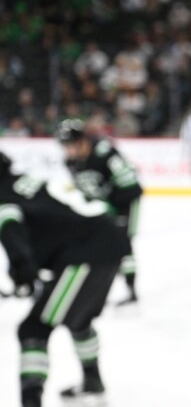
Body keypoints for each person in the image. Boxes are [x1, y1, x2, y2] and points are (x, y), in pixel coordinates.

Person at [0, 152, 130, 407]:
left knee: (33, 328)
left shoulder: (4, 200)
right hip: (108, 243)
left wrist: (23, 274)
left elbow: (14, 237)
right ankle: (93, 381)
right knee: (78, 317)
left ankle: (31, 402)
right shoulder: (26, 181)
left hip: (85, 254)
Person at [57, 118, 143, 305]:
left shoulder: (105, 152)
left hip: (126, 201)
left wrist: (113, 208)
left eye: (70, 145)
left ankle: (131, 290)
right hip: (105, 204)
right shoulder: (72, 162)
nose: (67, 150)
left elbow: (129, 184)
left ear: (81, 141)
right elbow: (85, 190)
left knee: (123, 242)